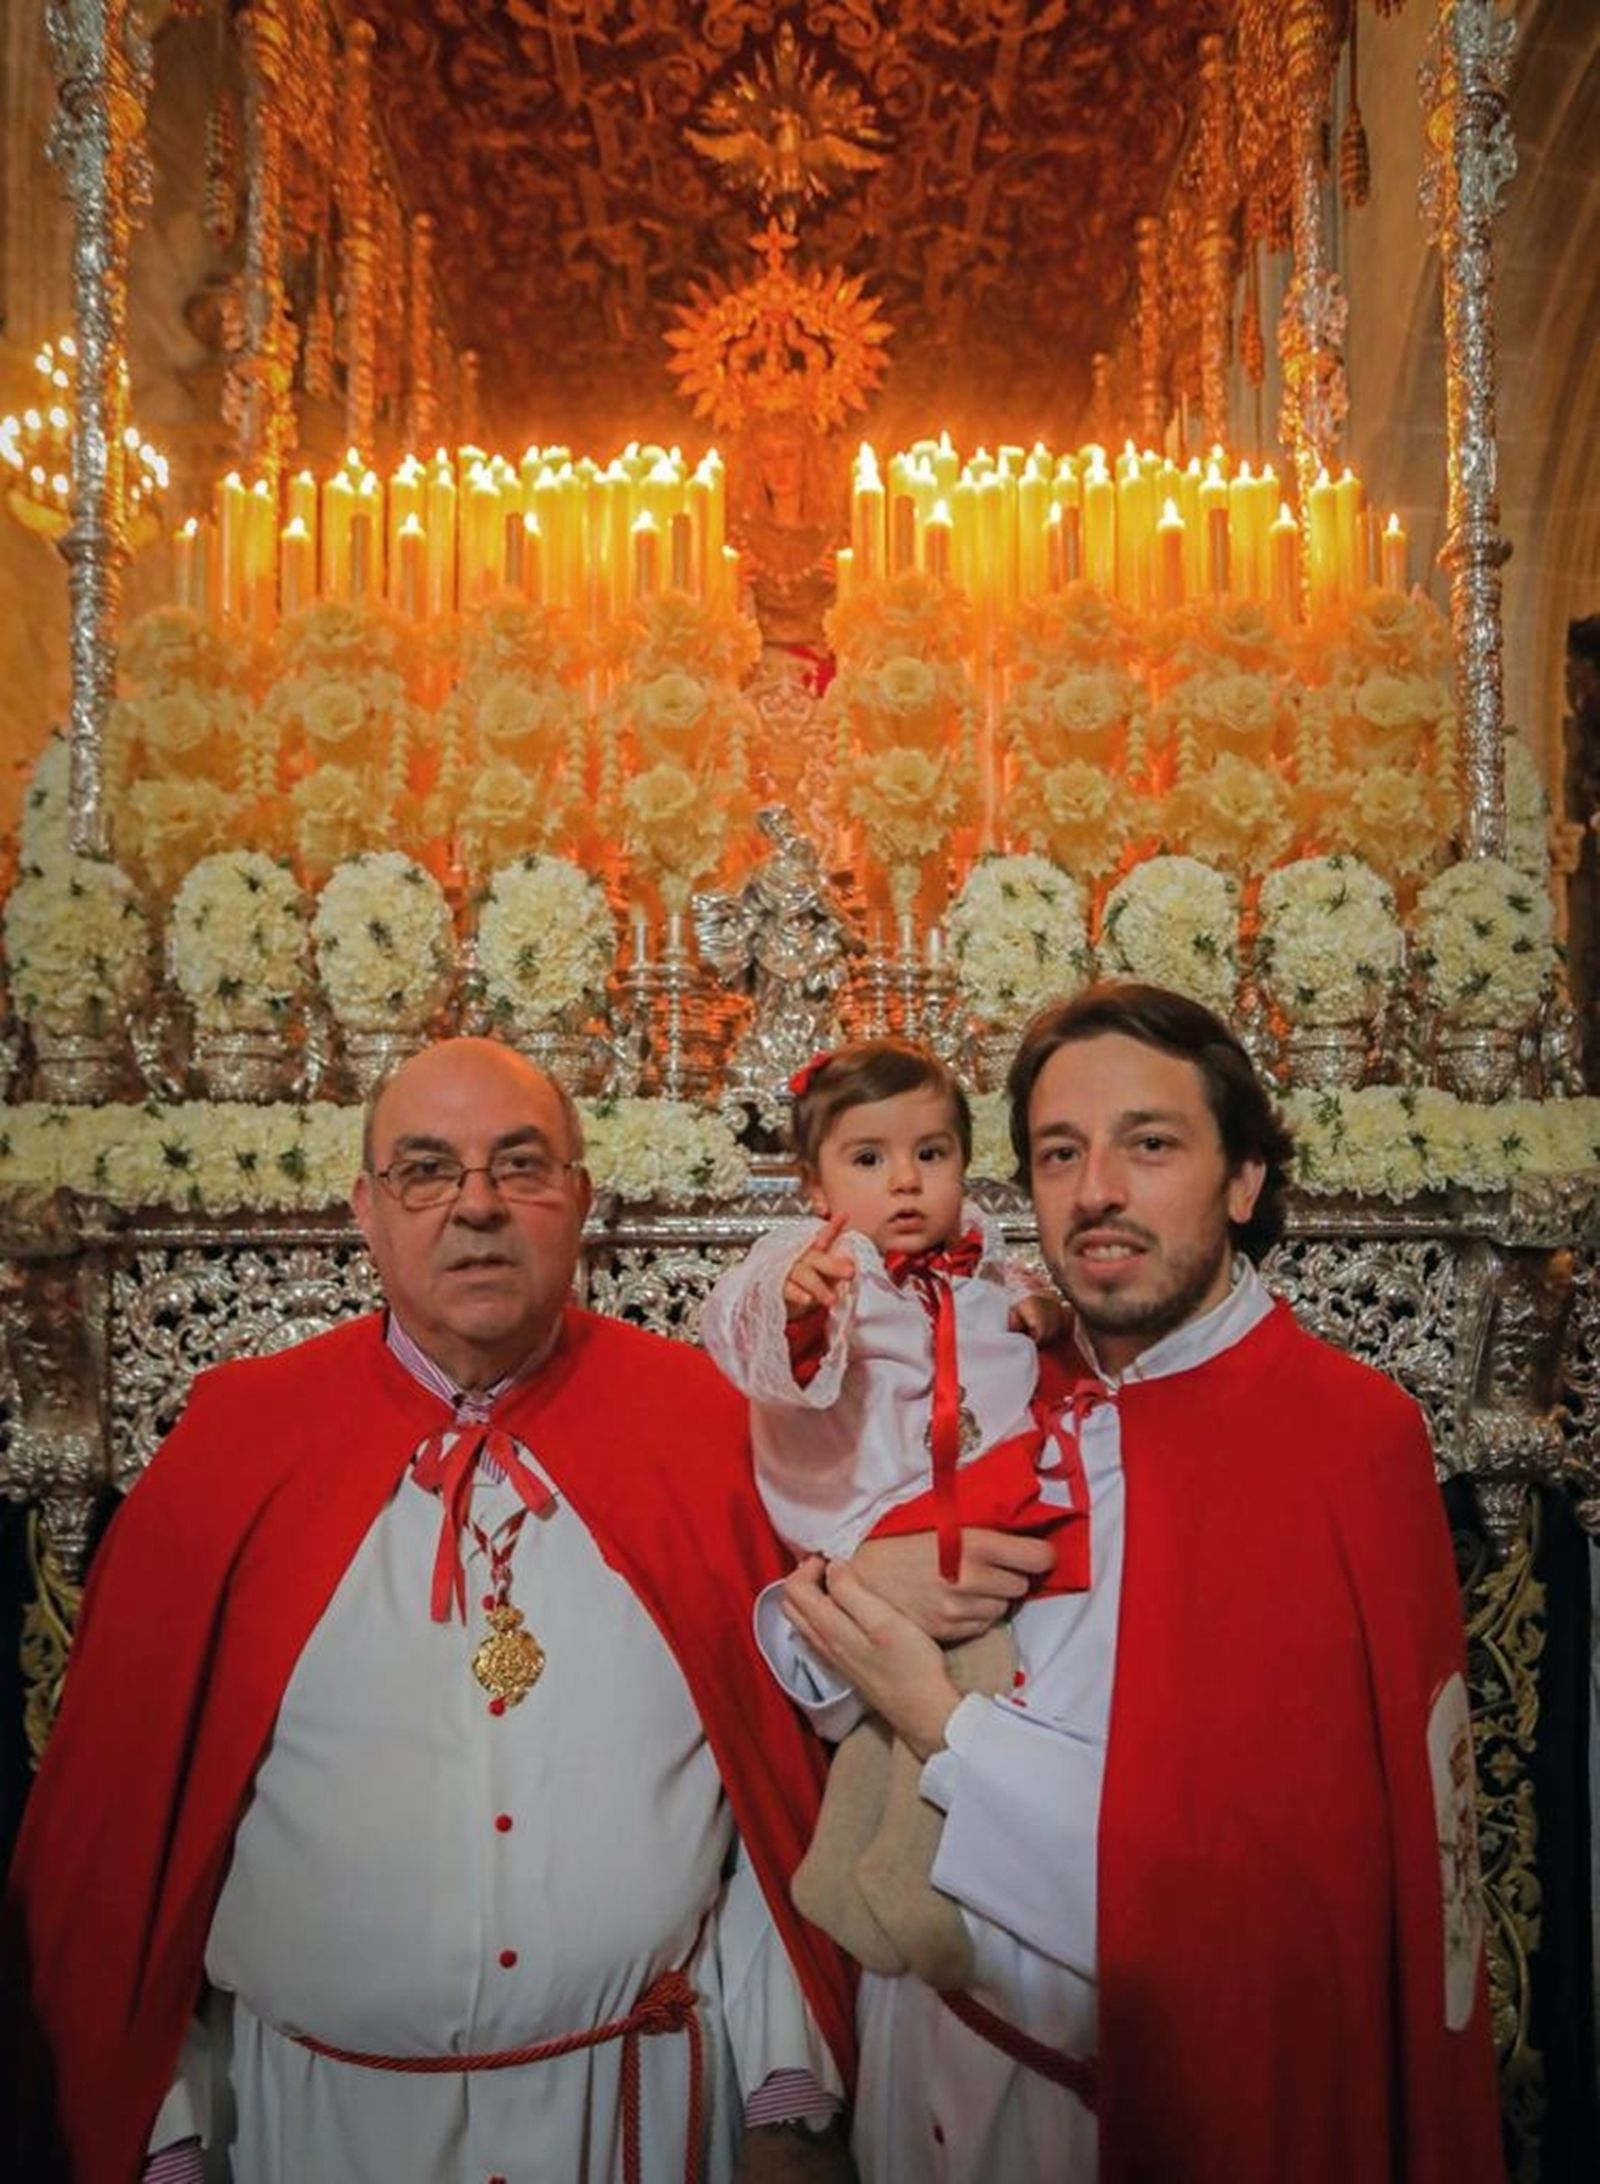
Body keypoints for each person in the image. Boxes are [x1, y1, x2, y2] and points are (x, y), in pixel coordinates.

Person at [2, 1038, 855, 2184]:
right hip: (316, 2127)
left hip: (638, 2114)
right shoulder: (231, 1454)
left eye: (521, 1165)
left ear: (581, 1200)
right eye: (426, 1170)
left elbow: (771, 1800)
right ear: (367, 1207)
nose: (478, 1208)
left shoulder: (708, 1436)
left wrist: (785, 2101)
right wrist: (165, 2138)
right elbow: (126, 1844)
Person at [767, 984, 1505, 2183]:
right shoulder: (1021, 1387)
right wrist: (866, 1584)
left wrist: (933, 1716)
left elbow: (1271, 1886)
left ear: (1244, 1180)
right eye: (1060, 1153)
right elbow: (801, 1662)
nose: (1096, 1188)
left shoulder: (1341, 1440)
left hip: (1139, 2113)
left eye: (1148, 1143)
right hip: (923, 2081)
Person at [700, 1040, 1085, 1993]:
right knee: (970, 1685)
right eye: (868, 1159)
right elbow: (738, 1328)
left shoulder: (981, 1255)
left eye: (933, 1152)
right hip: (881, 1524)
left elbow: (1020, 1288)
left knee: (930, 1701)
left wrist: (1040, 1312)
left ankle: (855, 1867)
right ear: (814, 1180)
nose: (905, 1182)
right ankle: (909, 1884)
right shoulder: (818, 1262)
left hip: (978, 1500)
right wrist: (796, 1307)